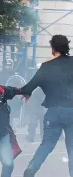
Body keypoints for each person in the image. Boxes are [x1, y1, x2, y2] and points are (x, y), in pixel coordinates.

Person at [21, 35, 73, 177]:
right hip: (72, 111)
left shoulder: (46, 66)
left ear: (53, 48)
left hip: (53, 112)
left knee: (46, 144)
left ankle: (31, 168)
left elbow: (28, 87)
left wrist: (25, 94)